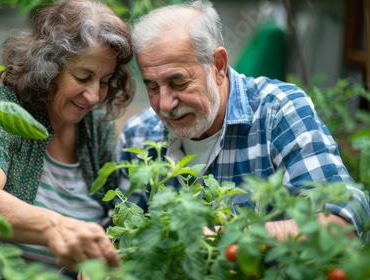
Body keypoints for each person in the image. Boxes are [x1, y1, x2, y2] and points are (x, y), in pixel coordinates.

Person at [117, 0, 369, 240]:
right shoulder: (139, 135)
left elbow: (343, 219)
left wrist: (233, 237)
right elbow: (125, 233)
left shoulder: (277, 112)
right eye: (151, 86)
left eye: (178, 82)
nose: (164, 104)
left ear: (218, 65)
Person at [0, 0, 134, 278]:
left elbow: (109, 216)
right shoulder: (2, 112)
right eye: (82, 77)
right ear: (48, 68)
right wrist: (56, 228)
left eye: (103, 81)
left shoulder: (95, 127)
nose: (94, 96)